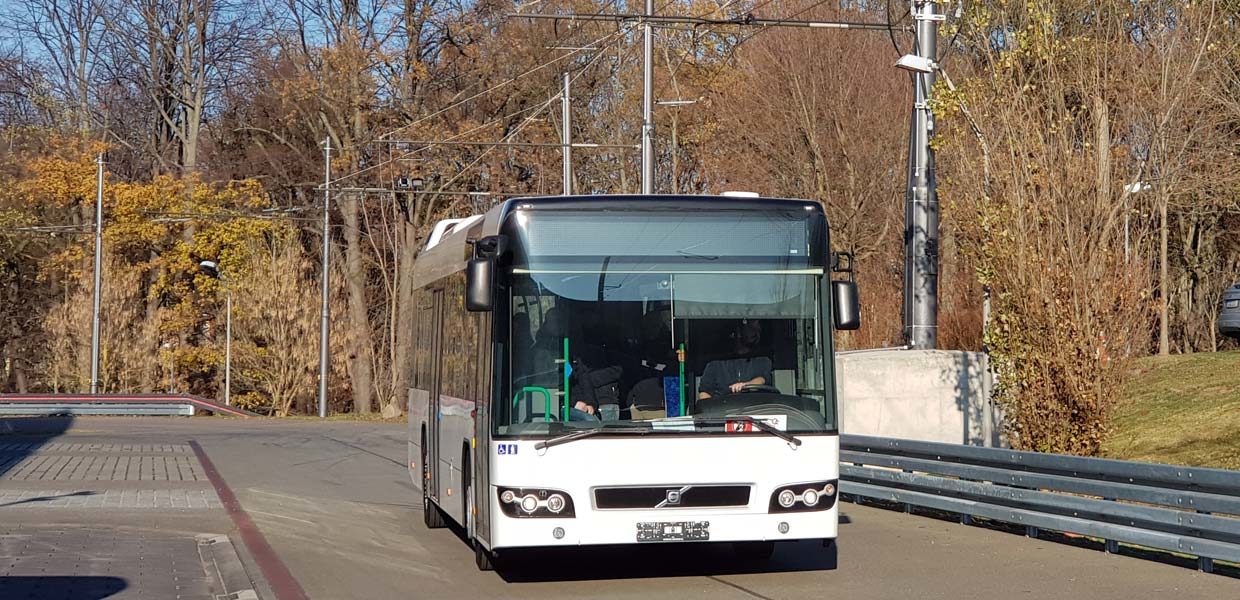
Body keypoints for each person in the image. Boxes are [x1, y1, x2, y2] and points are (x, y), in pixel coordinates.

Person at [697, 320, 773, 401]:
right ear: (737, 331)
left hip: (755, 408)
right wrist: (712, 410)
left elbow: (762, 379)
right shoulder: (715, 362)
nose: (756, 333)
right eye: (751, 328)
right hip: (722, 410)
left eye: (758, 329)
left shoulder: (762, 359)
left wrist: (746, 385)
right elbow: (704, 392)